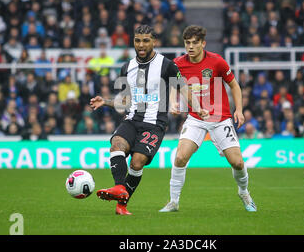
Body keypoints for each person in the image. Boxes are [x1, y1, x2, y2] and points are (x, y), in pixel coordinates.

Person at [90, 25, 209, 215]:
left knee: (137, 163)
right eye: (137, 40)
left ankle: (122, 204)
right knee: (116, 144)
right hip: (132, 119)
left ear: (154, 42)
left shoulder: (167, 65)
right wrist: (106, 102)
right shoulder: (126, 67)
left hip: (154, 124)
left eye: (146, 40)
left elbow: (184, 89)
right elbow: (126, 101)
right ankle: (120, 188)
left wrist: (198, 107)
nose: (141, 44)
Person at [159, 25, 257, 213]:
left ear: (203, 43)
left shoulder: (217, 62)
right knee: (180, 157)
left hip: (220, 118)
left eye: (195, 43)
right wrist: (172, 102)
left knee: (237, 162)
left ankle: (244, 192)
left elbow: (235, 86)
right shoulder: (178, 64)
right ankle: (173, 201)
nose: (190, 47)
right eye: (187, 43)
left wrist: (239, 110)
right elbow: (174, 84)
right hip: (195, 118)